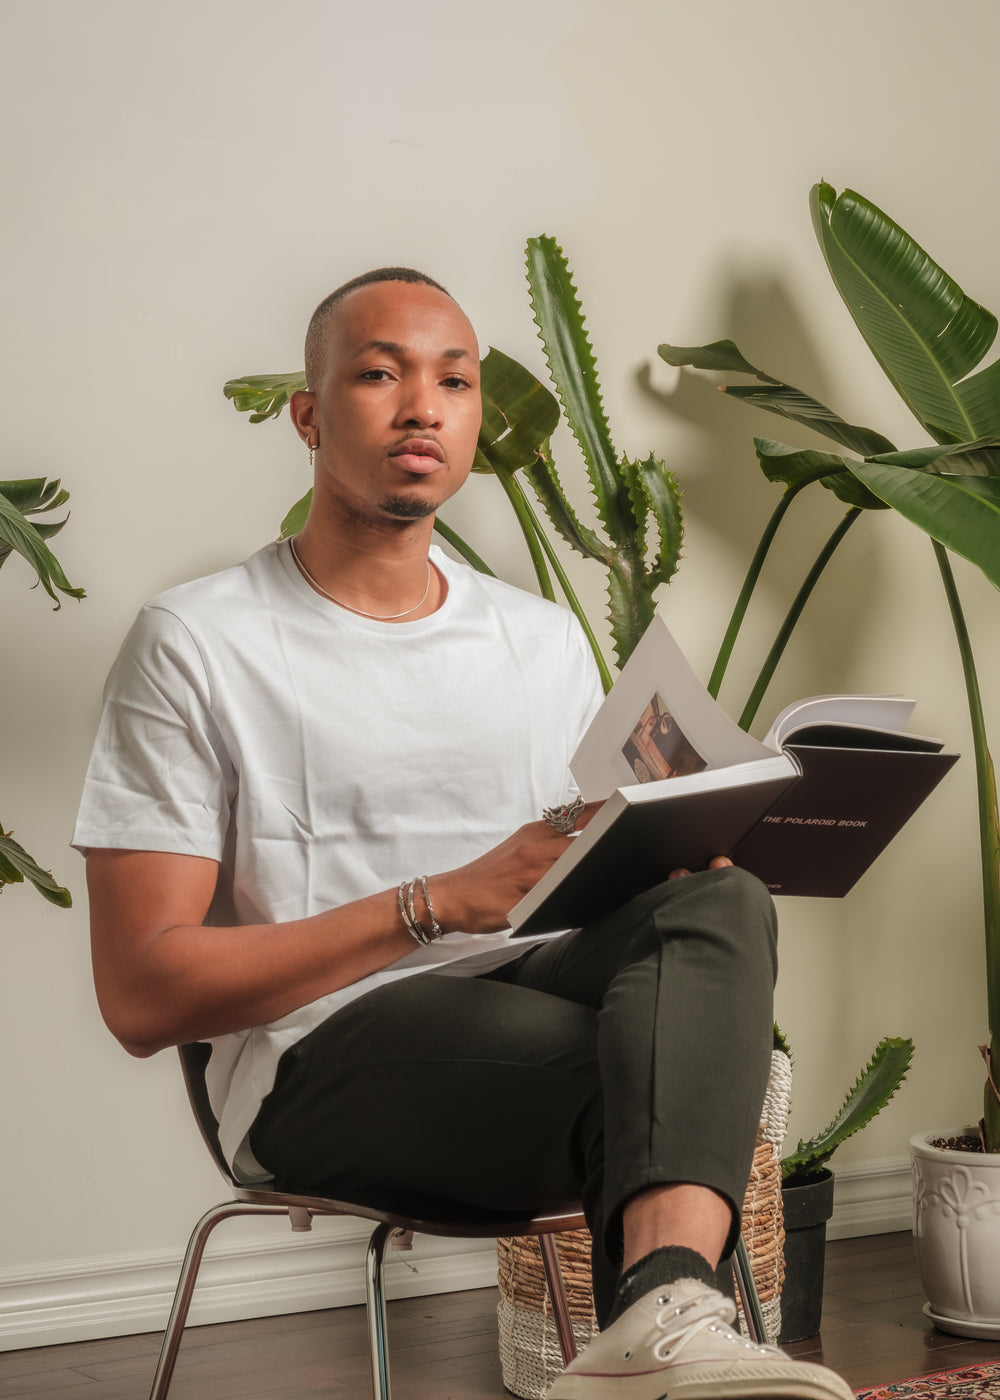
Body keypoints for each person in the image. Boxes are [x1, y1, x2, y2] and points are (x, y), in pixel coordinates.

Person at [74, 268, 853, 1400]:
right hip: (317, 1055)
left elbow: (566, 885)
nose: (421, 407)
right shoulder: (197, 640)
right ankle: (668, 1327)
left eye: (453, 379)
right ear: (308, 413)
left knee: (719, 902)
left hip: (523, 994)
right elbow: (141, 995)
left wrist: (676, 845)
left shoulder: (537, 641)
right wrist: (429, 902)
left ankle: (664, 1311)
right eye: (380, 373)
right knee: (650, 1079)